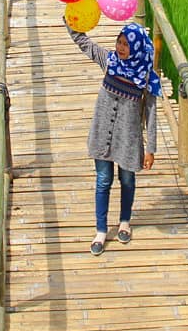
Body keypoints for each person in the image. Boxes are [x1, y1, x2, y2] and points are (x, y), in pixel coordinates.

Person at [65, 19, 161, 255]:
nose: (120, 48)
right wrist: (71, 17)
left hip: (128, 139)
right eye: (119, 42)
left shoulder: (146, 77)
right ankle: (100, 229)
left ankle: (125, 221)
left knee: (127, 180)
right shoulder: (109, 62)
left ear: (137, 47)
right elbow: (82, 41)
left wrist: (151, 148)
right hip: (102, 134)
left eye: (126, 45)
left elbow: (150, 112)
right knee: (103, 181)